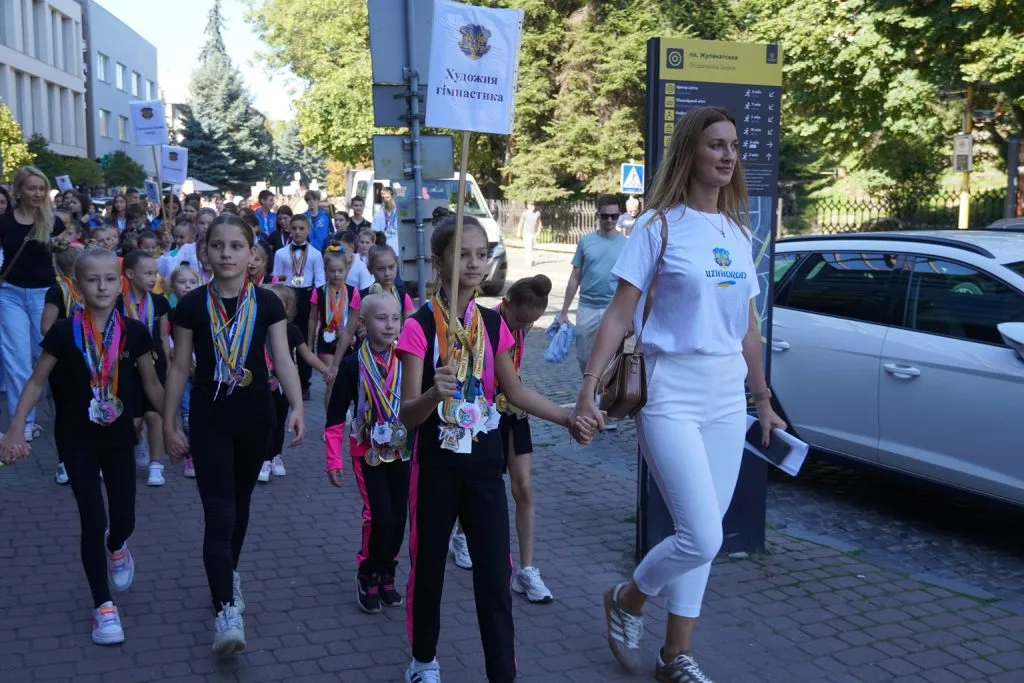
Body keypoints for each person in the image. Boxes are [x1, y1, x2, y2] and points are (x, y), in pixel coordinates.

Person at [570, 106, 787, 682]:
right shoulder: (657, 226)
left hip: (726, 396)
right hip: (669, 391)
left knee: (703, 538)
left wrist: (762, 400)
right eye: (715, 144)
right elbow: (619, 314)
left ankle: (673, 656)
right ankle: (628, 599)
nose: (727, 155)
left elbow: (747, 327)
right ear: (690, 152)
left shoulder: (738, 232)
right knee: (702, 534)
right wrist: (588, 386)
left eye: (733, 145)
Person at [396, 214, 595, 683]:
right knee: (428, 569)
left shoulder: (491, 323)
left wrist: (567, 417)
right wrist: (433, 393)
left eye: (481, 254)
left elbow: (516, 392)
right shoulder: (419, 326)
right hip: (436, 468)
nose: (473, 263)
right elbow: (406, 415)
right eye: (461, 254)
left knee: (494, 577)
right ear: (437, 261)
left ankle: (502, 673)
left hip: (485, 468)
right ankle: (423, 661)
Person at [0, 248, 165, 646]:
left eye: (109, 279)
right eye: (92, 280)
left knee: (123, 518)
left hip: (120, 440)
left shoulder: (134, 331)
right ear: (76, 286)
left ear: (120, 283)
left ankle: (117, 546)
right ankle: (103, 607)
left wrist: (174, 426)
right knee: (93, 518)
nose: (101, 287)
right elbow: (36, 382)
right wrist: (16, 429)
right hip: (76, 441)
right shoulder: (62, 332)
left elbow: (152, 384)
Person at [163, 214, 306, 655]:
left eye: (236, 246)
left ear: (251, 254)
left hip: (256, 417)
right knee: (219, 513)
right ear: (204, 253)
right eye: (217, 245)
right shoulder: (190, 306)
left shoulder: (267, 303)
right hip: (209, 419)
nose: (226, 254)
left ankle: (229, 575)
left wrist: (298, 406)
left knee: (241, 505)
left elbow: (283, 359)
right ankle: (225, 609)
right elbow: (180, 367)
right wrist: (169, 422)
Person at [325, 293, 408, 614]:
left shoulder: (408, 359)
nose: (390, 325)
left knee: (398, 517)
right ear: (363, 322)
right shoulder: (352, 365)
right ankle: (368, 573)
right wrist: (333, 459)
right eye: (381, 318)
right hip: (367, 451)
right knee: (379, 516)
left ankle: (387, 572)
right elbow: (335, 416)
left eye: (395, 318)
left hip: (401, 449)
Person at [497, 275, 555, 604]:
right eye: (520, 320)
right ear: (506, 304)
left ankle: (527, 570)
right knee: (484, 484)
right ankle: (460, 536)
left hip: (514, 411)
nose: (524, 326)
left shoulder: (524, 322)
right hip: (486, 412)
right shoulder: (487, 325)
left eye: (530, 322)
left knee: (524, 488)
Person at [0, 167, 67, 442]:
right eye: (31, 188)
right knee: (16, 360)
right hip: (10, 295)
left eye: (41, 188)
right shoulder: (3, 222)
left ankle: (67, 411)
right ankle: (24, 421)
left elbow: (67, 260)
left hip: (45, 296)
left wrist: (64, 247)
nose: (37, 193)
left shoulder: (54, 222)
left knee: (48, 356)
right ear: (19, 191)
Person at [558, 195, 627, 380]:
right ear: (598, 215)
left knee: (610, 359)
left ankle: (600, 394)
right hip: (587, 307)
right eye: (605, 216)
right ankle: (591, 387)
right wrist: (564, 311)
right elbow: (575, 277)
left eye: (614, 216)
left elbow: (630, 283)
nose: (610, 220)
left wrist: (631, 317)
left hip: (613, 309)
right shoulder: (586, 241)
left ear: (619, 215)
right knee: (583, 357)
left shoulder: (626, 244)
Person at [119, 250, 172, 487]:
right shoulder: (117, 302)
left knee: (155, 414)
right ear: (130, 274)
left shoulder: (160, 302)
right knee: (134, 420)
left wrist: (168, 365)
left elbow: (163, 336)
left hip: (154, 361)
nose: (154, 279)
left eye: (156, 274)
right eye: (148, 273)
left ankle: (156, 464)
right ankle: (137, 443)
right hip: (127, 364)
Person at [41, 239, 84, 485]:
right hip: (64, 363)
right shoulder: (57, 291)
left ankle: (88, 459)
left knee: (88, 411)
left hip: (90, 360)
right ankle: (64, 463)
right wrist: (73, 330)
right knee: (67, 413)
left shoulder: (87, 289)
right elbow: (46, 327)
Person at [272, 214, 325, 400]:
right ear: (289, 229)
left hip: (306, 297)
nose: (297, 232)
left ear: (308, 230)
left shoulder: (316, 254)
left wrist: (317, 303)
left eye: (301, 228)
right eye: (294, 228)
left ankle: (304, 383)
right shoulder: (280, 254)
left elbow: (320, 280)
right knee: (283, 338)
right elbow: (276, 278)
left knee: (304, 341)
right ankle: (280, 380)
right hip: (287, 295)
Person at [167, 265, 201, 477]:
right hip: (182, 369)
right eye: (182, 282)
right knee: (186, 411)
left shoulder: (204, 310)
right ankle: (191, 455)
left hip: (203, 367)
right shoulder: (171, 314)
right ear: (172, 286)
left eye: (192, 282)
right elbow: (165, 338)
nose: (187, 286)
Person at [309, 247, 355, 404]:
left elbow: (357, 319)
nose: (336, 274)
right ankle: (330, 417)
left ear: (346, 270)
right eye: (332, 270)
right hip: (326, 340)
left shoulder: (353, 292)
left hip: (347, 342)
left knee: (346, 381)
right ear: (325, 271)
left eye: (340, 270)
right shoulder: (318, 292)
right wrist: (310, 344)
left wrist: (354, 335)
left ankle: (342, 411)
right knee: (331, 380)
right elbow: (312, 319)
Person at [518, 202, 542, 268]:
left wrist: (538, 231)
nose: (533, 206)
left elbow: (539, 223)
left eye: (534, 205)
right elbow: (521, 222)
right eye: (531, 205)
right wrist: (519, 232)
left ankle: (528, 260)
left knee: (531, 248)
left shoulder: (537, 213)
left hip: (533, 233)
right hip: (526, 233)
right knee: (528, 247)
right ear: (528, 206)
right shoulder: (525, 214)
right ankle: (530, 261)